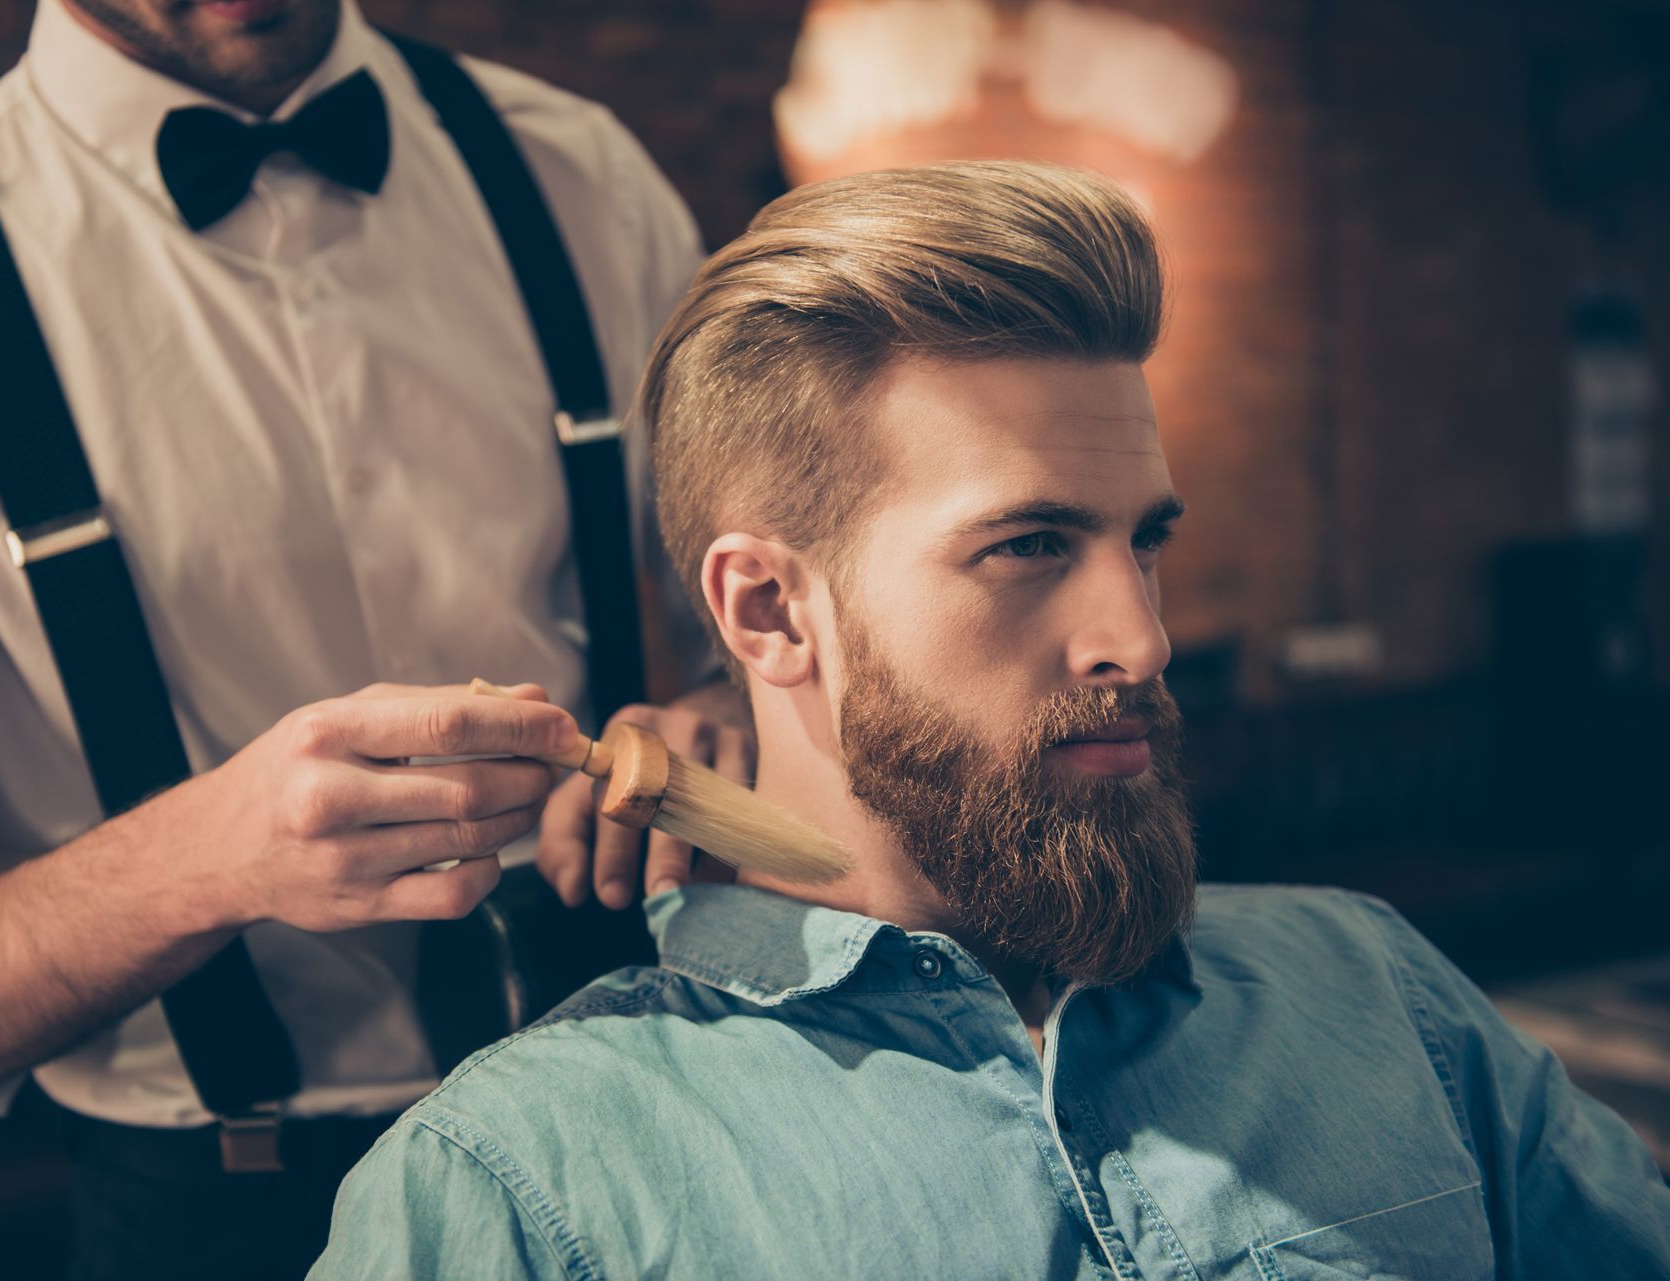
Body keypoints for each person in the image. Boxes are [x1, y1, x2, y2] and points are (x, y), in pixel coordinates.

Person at [312, 160, 1670, 1279]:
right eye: (1026, 545)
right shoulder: (519, 1187)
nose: (1141, 637)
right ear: (774, 612)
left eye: (1146, 540)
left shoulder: (1378, 992)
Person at [0, 1, 742, 1276]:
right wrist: (202, 862)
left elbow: (764, 618)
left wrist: (741, 701)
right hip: (224, 1208)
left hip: (653, 1117)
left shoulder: (585, 174)